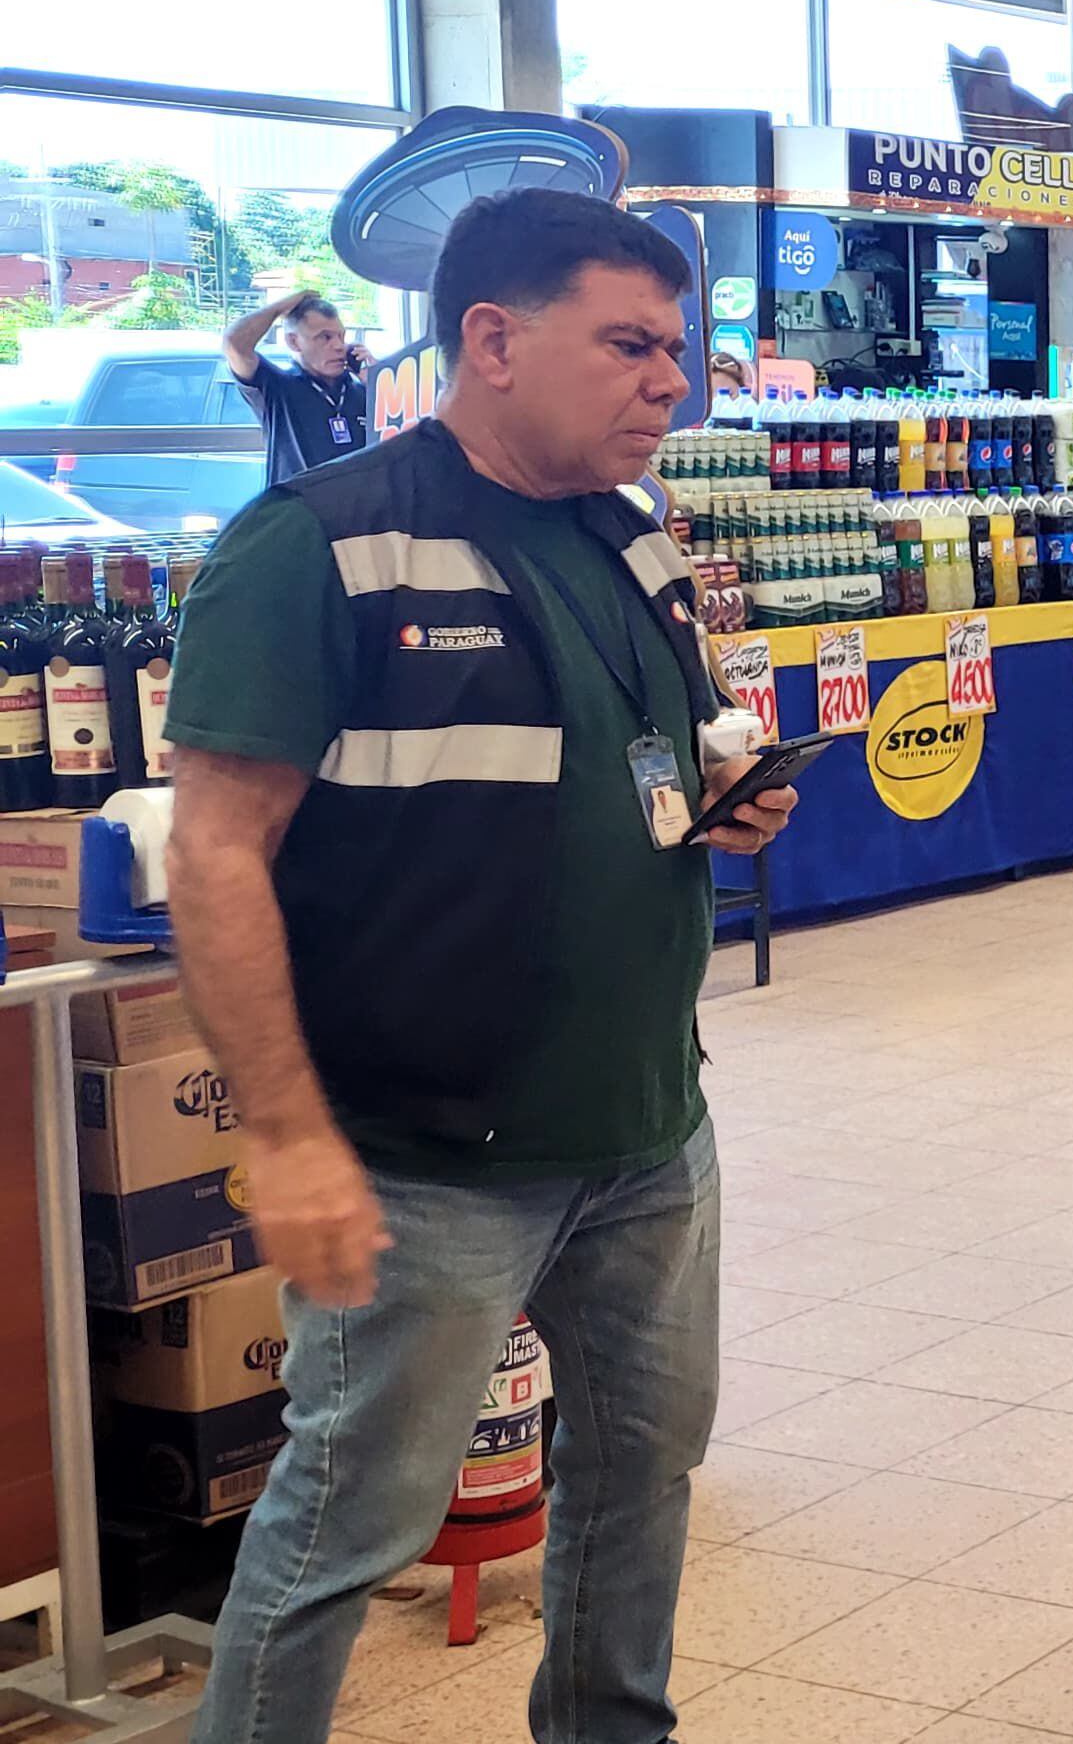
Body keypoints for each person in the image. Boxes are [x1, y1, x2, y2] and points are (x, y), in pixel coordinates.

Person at [164, 189, 793, 1744]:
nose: (673, 383)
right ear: (495, 340)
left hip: (649, 1126)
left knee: (640, 1476)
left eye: (682, 349)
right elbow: (215, 851)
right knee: (339, 1533)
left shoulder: (630, 541)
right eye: (633, 346)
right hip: (424, 1154)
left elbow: (649, 760)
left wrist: (723, 807)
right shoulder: (316, 545)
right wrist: (289, 1135)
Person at [220, 287, 374, 486]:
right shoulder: (277, 387)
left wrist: (380, 384)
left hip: (357, 511)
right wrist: (280, 308)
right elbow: (234, 343)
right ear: (294, 342)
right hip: (301, 511)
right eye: (325, 337)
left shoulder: (361, 390)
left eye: (341, 337)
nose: (338, 346)